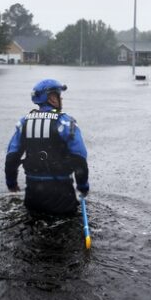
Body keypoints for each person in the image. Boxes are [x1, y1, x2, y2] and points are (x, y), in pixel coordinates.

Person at [5, 79, 89, 215]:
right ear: (51, 98)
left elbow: (11, 157)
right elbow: (79, 159)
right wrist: (83, 188)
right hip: (62, 196)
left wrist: (12, 185)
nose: (61, 98)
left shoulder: (24, 123)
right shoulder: (66, 123)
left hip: (32, 196)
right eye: (58, 95)